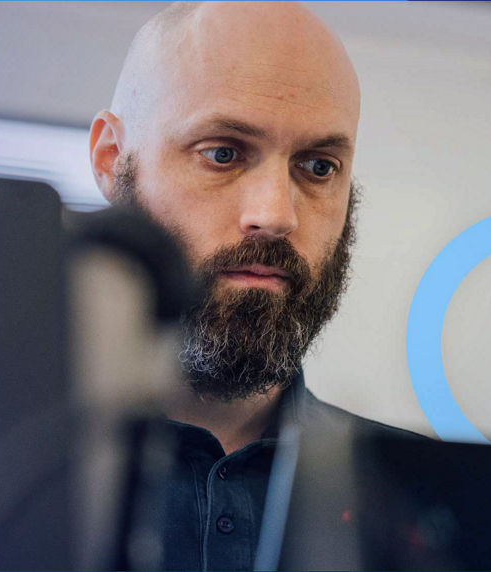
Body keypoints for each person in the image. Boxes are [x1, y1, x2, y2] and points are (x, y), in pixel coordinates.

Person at [86, 2, 422, 569]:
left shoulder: (418, 505)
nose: (275, 215)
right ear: (112, 160)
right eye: (222, 153)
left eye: (318, 167)